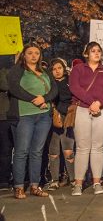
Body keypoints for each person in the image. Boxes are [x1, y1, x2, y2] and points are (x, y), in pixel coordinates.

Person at [7, 43, 58, 199]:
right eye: (30, 53)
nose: (34, 55)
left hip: (44, 116)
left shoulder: (44, 71)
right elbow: (14, 88)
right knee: (22, 152)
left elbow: (54, 90)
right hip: (24, 115)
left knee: (37, 152)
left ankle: (35, 186)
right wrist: (33, 99)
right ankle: (19, 187)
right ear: (24, 55)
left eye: (36, 53)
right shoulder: (18, 70)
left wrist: (45, 98)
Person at [69, 42, 103, 196]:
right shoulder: (78, 69)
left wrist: (99, 103)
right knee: (82, 147)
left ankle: (97, 182)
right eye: (93, 51)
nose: (96, 53)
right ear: (86, 54)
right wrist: (91, 102)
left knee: (98, 147)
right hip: (82, 109)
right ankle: (78, 183)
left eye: (98, 51)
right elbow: (75, 88)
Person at [47, 58, 75, 190]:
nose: (57, 71)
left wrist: (67, 108)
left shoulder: (70, 81)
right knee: (53, 151)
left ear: (64, 68)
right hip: (53, 118)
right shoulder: (49, 83)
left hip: (68, 117)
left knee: (68, 150)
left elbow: (71, 98)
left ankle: (73, 178)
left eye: (59, 68)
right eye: (54, 69)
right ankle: (54, 180)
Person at [0, 55, 15, 190]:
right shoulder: (4, 71)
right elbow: (6, 85)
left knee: (7, 148)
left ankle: (4, 178)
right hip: (3, 115)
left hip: (6, 115)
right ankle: (3, 179)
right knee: (5, 149)